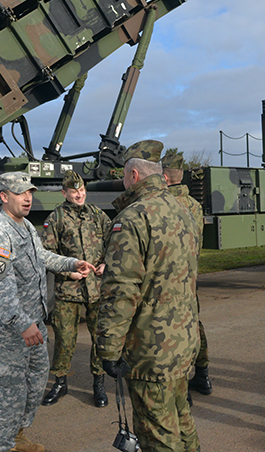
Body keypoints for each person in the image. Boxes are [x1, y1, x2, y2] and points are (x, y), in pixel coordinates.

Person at [0, 172, 95, 452]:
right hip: (7, 331)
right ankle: (2, 447)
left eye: (29, 192)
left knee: (36, 380)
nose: (27, 198)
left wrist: (71, 263)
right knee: (10, 393)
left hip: (33, 326)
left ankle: (16, 436)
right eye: (20, 193)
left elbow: (42, 256)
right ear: (4, 197)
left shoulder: (26, 226)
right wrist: (21, 323)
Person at [96, 140, 201, 452]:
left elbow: (121, 292)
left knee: (158, 435)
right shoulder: (184, 212)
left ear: (133, 176)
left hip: (150, 350)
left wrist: (109, 350)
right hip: (183, 341)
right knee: (183, 420)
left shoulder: (132, 219)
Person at [40, 171, 111, 408]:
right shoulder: (56, 218)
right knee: (64, 338)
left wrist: (105, 264)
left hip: (96, 289)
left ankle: (98, 383)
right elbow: (46, 254)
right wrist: (67, 272)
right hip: (68, 290)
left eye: (81, 191)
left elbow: (115, 242)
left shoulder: (97, 215)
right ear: (64, 193)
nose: (79, 195)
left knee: (99, 337)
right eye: (74, 191)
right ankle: (60, 382)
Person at [161, 151, 212, 398]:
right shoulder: (194, 205)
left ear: (164, 177)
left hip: (170, 282)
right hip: (191, 276)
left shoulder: (164, 204)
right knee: (194, 325)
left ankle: (182, 390)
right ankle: (202, 374)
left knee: (173, 334)